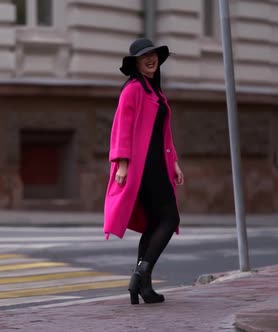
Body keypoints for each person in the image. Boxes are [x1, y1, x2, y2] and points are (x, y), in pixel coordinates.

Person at [103, 38, 184, 305]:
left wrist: (173, 162)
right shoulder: (133, 89)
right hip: (144, 167)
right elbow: (121, 127)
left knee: (153, 223)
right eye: (144, 57)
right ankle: (142, 273)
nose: (150, 59)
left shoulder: (154, 91)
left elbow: (164, 132)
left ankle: (142, 284)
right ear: (135, 63)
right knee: (169, 218)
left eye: (153, 55)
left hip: (158, 163)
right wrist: (122, 165)